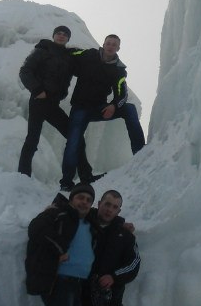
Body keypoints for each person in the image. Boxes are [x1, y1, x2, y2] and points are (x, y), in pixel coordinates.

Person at [60, 34, 145, 191]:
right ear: (104, 44)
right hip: (80, 107)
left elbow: (122, 94)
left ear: (118, 48)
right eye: (108, 43)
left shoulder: (118, 70)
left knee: (129, 109)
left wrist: (113, 105)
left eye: (114, 44)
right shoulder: (89, 55)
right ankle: (66, 181)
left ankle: (141, 154)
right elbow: (70, 54)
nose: (110, 46)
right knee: (73, 141)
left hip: (100, 108)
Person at [17, 25, 100, 183]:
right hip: (39, 101)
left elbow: (83, 67)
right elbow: (25, 71)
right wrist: (38, 90)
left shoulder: (69, 56)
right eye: (59, 33)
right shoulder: (43, 50)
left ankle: (85, 175)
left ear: (68, 38)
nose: (61, 36)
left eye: (65, 35)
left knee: (74, 137)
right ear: (54, 35)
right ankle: (22, 176)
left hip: (52, 104)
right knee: (32, 139)